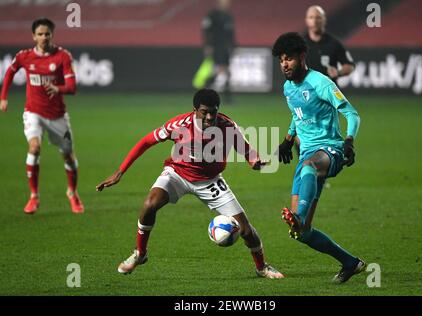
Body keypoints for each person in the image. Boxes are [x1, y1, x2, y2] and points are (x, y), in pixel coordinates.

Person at [96, 88, 284, 279]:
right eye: (205, 112)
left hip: (210, 181)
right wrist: (120, 171)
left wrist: (261, 162)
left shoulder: (228, 127)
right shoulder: (180, 125)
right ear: (195, 110)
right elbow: (146, 141)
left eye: (214, 111)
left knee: (245, 229)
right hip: (177, 174)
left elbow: (251, 156)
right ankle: (140, 253)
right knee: (148, 205)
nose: (210, 117)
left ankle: (262, 267)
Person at [272, 32, 365, 283]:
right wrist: (288, 139)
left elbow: (352, 114)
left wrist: (348, 141)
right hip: (306, 158)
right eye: (281, 60)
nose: (284, 64)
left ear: (302, 57)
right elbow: (297, 113)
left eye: (289, 59)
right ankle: (350, 263)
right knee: (301, 232)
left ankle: (299, 215)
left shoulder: (321, 83)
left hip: (330, 150)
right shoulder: (288, 87)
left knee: (310, 167)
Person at [0, 17, 84, 214]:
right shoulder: (24, 56)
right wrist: (3, 97)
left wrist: (57, 88)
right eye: (40, 34)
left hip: (57, 116)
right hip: (33, 112)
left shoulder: (63, 56)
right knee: (34, 147)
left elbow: (72, 88)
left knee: (68, 157)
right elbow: (10, 73)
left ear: (52, 35)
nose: (43, 37)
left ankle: (72, 193)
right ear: (33, 36)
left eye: (47, 34)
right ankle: (34, 196)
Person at [304, 5, 355, 83]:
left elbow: (349, 65)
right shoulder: (300, 43)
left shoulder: (334, 43)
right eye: (311, 17)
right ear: (306, 20)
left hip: (328, 91)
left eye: (318, 17)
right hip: (306, 91)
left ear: (324, 20)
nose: (314, 21)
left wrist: (338, 72)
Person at [201, 0, 235, 103]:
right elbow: (206, 30)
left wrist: (233, 46)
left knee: (226, 72)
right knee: (221, 70)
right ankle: (206, 89)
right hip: (216, 46)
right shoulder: (212, 15)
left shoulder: (229, 16)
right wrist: (208, 45)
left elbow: (231, 33)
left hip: (225, 47)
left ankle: (226, 96)